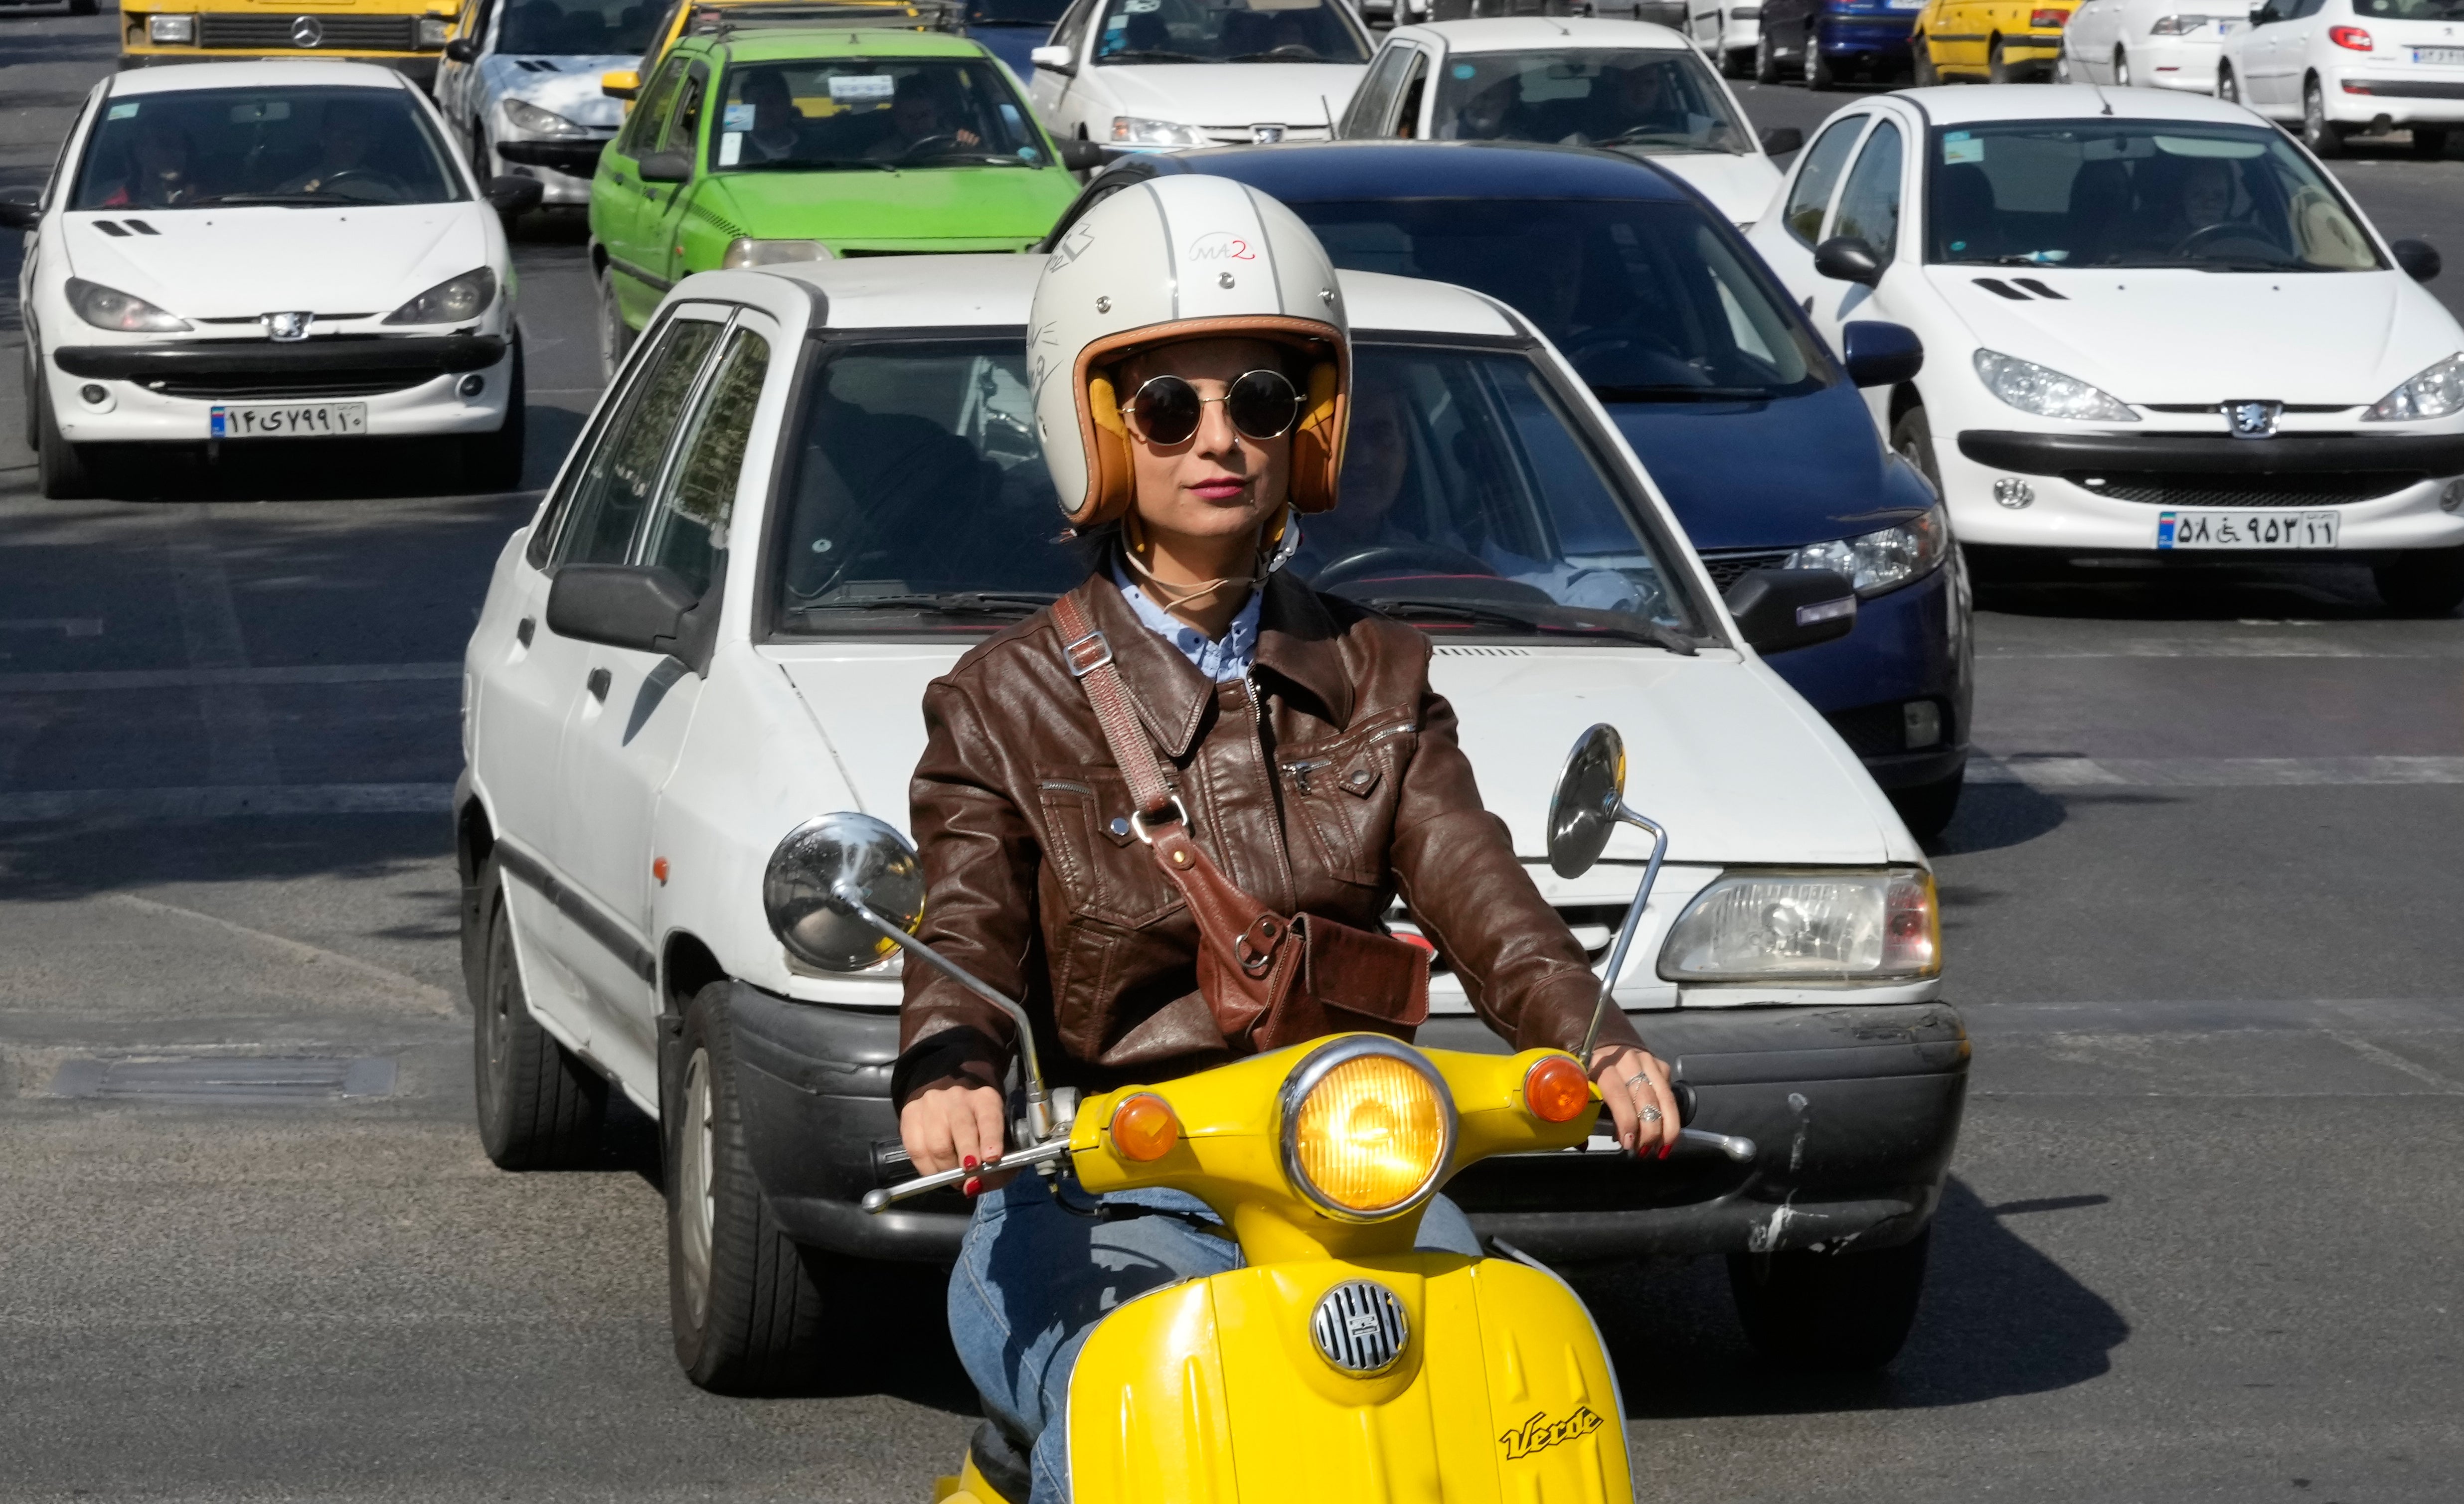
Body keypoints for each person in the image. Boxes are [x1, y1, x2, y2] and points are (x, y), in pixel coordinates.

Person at [895, 175, 1682, 1504]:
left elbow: (1475, 885)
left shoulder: (1375, 671)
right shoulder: (999, 701)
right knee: (1134, 1397)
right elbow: (961, 921)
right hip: (1108, 1186)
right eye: (1166, 406)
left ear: (1303, 429)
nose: (1220, 438)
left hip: (1353, 1182)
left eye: (1259, 398)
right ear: (1096, 429)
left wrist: (1587, 1030)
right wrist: (949, 1064)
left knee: (1495, 1383)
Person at [864, 77, 980, 159]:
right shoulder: (878, 156)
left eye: (925, 115)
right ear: (897, 118)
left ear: (937, 114)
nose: (918, 124)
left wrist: (968, 151)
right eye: (909, 117)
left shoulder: (959, 145)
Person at [99, 114, 196, 208]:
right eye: (166, 144)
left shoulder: (207, 200)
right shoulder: (117, 206)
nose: (176, 153)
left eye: (181, 145)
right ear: (140, 152)